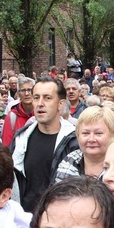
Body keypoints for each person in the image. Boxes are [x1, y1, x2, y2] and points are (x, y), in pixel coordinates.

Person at [10, 76, 78, 212]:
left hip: (59, 220)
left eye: (47, 98)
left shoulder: (74, 142)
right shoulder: (20, 139)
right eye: (36, 98)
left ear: (61, 104)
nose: (40, 103)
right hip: (25, 220)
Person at [54, 106, 114, 183]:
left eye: (98, 133)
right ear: (77, 135)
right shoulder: (69, 162)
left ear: (112, 135)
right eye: (85, 133)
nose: (91, 139)